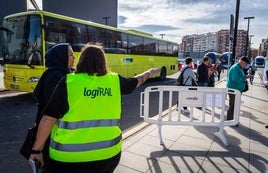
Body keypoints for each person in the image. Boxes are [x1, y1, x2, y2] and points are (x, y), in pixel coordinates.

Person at [28, 43, 160, 173]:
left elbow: (48, 119)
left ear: (82, 60)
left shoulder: (68, 81)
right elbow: (137, 81)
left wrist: (36, 150)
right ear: (103, 61)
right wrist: (150, 72)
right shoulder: (115, 80)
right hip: (108, 154)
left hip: (68, 158)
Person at [31, 43, 75, 172]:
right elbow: (51, 113)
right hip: (51, 133)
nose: (74, 57)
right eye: (71, 54)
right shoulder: (56, 76)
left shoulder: (59, 72)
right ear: (61, 57)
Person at [226, 56, 252, 121]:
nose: (246, 65)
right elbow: (236, 79)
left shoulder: (238, 67)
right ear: (242, 62)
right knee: (232, 106)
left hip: (236, 89)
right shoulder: (236, 68)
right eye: (245, 64)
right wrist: (246, 77)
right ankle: (229, 120)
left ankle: (232, 119)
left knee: (234, 105)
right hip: (234, 89)